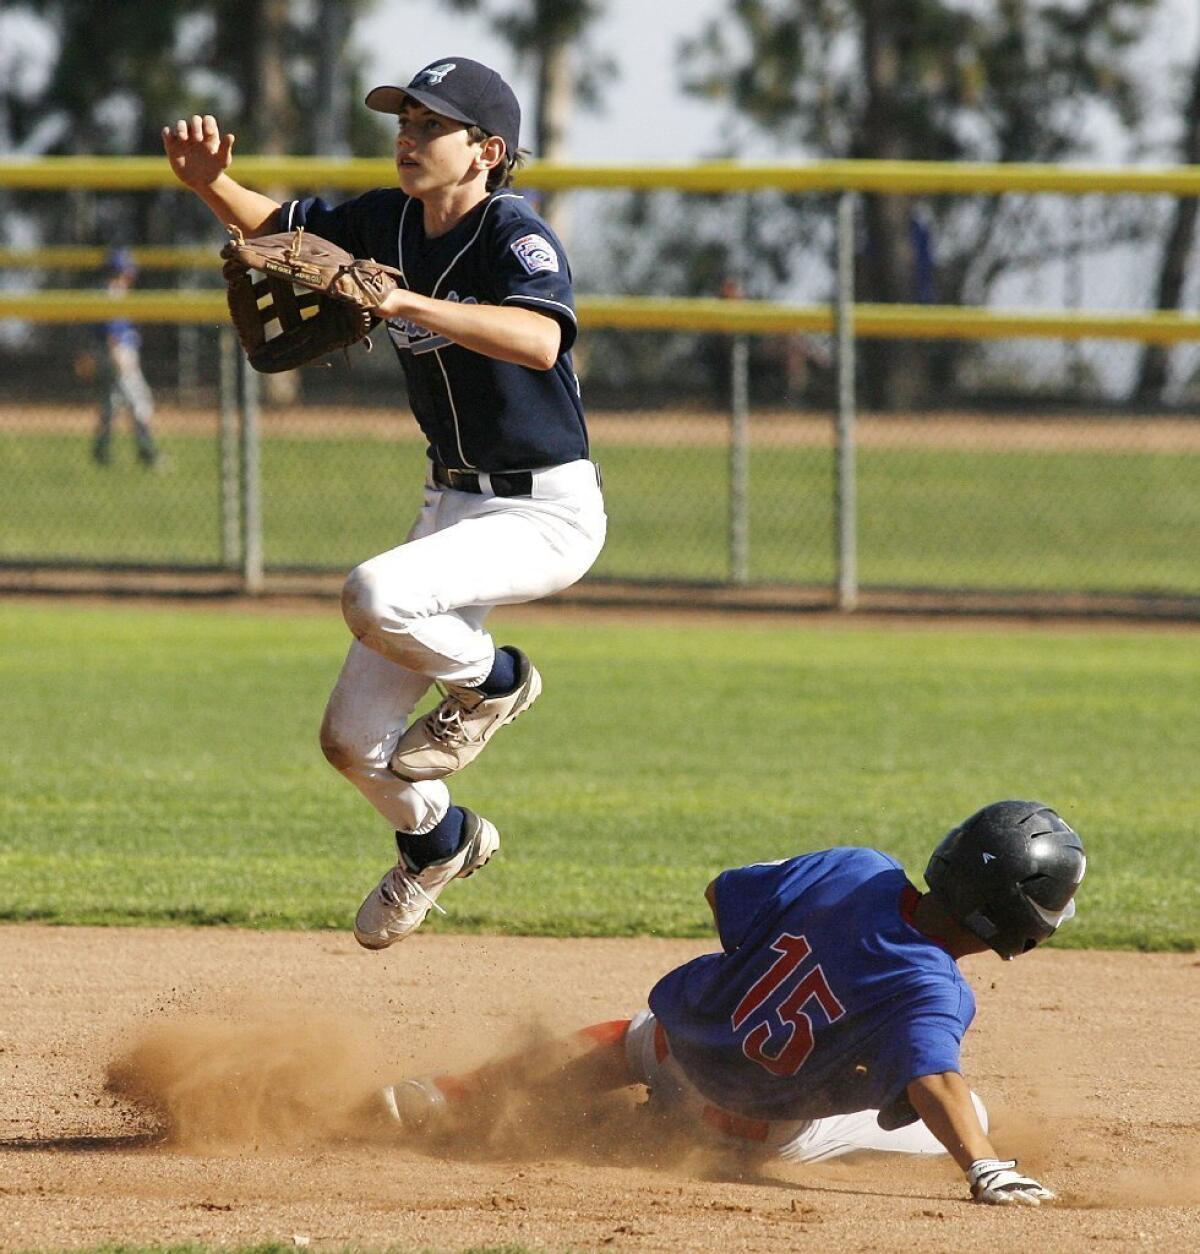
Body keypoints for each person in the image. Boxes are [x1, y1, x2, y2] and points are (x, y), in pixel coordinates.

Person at [162, 59, 606, 948]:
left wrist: (405, 298)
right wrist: (214, 188)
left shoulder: (515, 237)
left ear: (486, 151)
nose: (407, 137)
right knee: (351, 740)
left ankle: (498, 682)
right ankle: (439, 839)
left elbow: (538, 337)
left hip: (544, 512)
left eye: (429, 125)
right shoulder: (386, 219)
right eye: (403, 121)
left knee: (374, 595)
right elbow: (285, 231)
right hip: (451, 502)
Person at [376, 800, 1086, 1207]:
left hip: (676, 1046)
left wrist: (763, 969)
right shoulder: (933, 988)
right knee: (971, 1114)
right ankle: (658, 1140)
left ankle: (448, 1094)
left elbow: (725, 891)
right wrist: (985, 1165)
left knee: (632, 1036)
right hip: (743, 1128)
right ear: (1019, 923)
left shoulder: (856, 867)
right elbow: (936, 1080)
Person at [92, 249, 160, 468]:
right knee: (140, 403)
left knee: (112, 404)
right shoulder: (112, 293)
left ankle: (101, 452)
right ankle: (148, 453)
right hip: (119, 355)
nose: (131, 273)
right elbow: (112, 332)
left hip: (122, 353)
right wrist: (118, 358)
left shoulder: (115, 292)